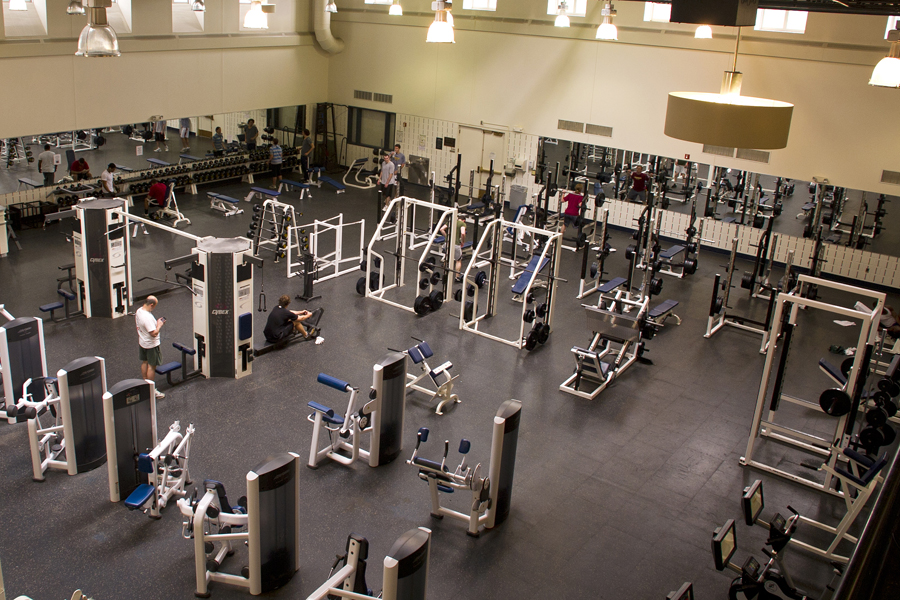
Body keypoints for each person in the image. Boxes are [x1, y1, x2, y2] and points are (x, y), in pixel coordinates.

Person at [135, 295, 166, 399]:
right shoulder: (147, 318)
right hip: (151, 345)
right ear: (151, 304)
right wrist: (159, 324)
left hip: (142, 342)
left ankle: (145, 382)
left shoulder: (139, 311)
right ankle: (151, 390)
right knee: (151, 366)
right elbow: (154, 333)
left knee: (145, 362)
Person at [440, 217, 466, 283]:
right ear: (464, 220)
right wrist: (462, 241)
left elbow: (442, 229)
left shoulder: (451, 221)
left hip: (447, 243)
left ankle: (444, 275)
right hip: (456, 245)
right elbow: (463, 233)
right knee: (458, 260)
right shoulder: (462, 223)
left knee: (447, 257)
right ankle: (457, 277)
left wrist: (447, 237)